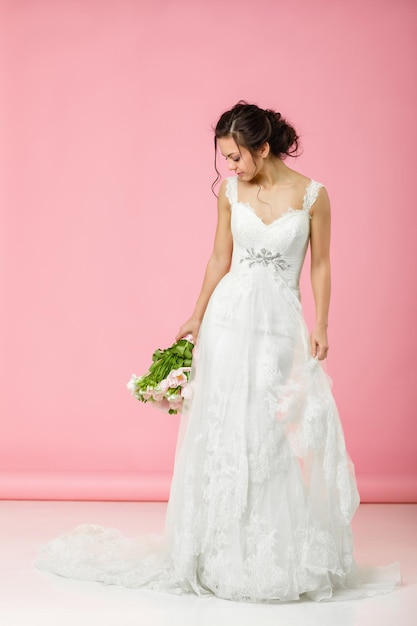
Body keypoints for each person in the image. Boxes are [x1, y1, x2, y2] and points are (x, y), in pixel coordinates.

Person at [36, 102, 400, 602]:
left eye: (235, 157)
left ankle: (271, 551)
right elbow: (218, 258)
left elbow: (321, 266)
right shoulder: (230, 193)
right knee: (226, 426)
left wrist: (322, 323)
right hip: (229, 320)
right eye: (225, 158)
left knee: (269, 429)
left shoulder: (313, 195)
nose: (229, 167)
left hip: (279, 325)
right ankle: (219, 551)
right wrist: (196, 313)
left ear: (263, 148)